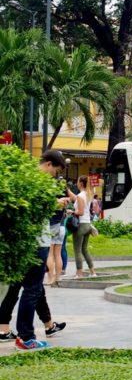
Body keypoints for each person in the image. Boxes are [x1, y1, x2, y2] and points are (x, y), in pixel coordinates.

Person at [6, 150, 70, 350]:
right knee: (32, 290)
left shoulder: (26, 178)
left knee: (26, 289)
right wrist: (55, 203)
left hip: (27, 241)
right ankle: (26, 337)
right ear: (49, 164)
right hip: (37, 242)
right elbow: (34, 207)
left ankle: (39, 328)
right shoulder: (36, 181)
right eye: (56, 171)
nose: (55, 175)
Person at [73, 175, 96, 278]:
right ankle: (92, 272)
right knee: (85, 250)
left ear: (81, 183)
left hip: (81, 225)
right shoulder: (88, 194)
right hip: (88, 225)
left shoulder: (80, 196)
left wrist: (71, 212)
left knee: (77, 250)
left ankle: (79, 274)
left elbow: (80, 212)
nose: (76, 183)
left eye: (77, 182)